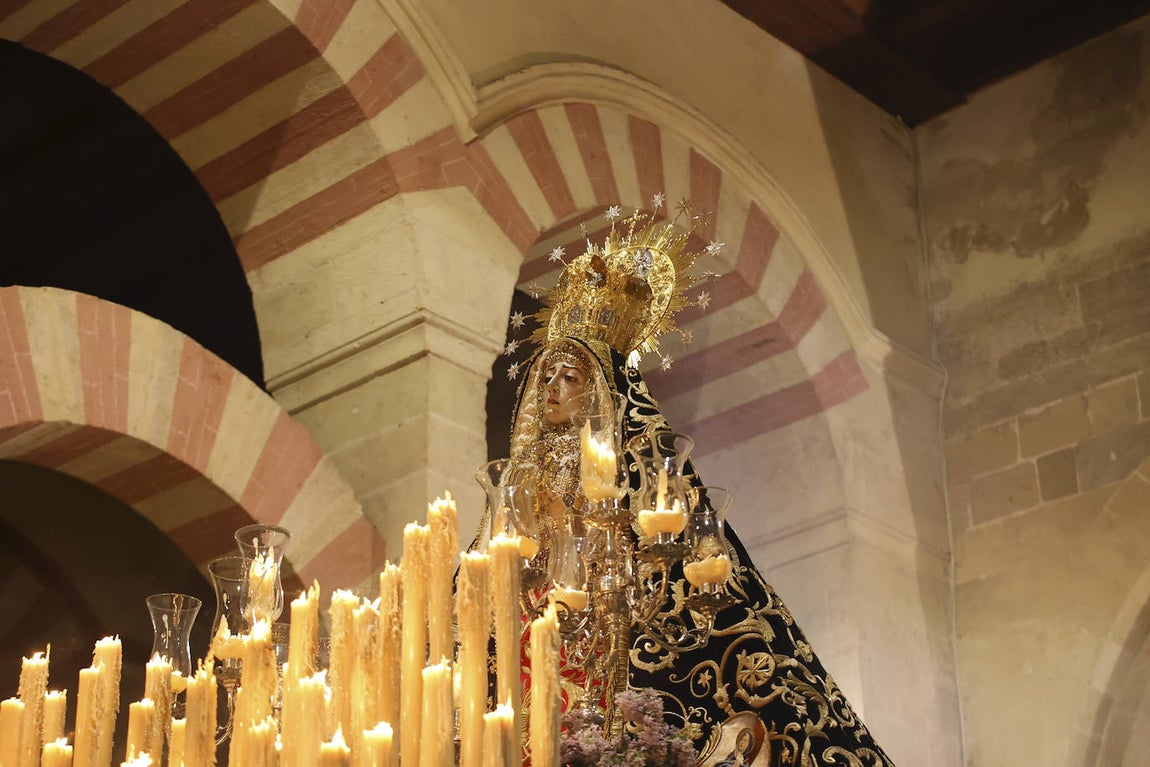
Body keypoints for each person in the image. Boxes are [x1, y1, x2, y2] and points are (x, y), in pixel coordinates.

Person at [491, 203, 897, 766]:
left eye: (573, 377)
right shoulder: (521, 486)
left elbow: (683, 586)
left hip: (615, 666)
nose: (553, 389)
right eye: (548, 377)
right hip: (534, 663)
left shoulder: (645, 484)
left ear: (606, 393)